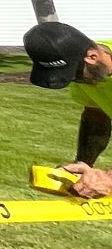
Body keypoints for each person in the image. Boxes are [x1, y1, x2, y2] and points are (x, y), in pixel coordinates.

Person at [23, 22, 112, 198]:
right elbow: (96, 118)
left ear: (93, 57)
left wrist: (109, 179)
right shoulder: (90, 76)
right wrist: (83, 166)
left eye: (75, 75)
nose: (76, 81)